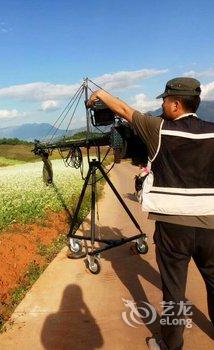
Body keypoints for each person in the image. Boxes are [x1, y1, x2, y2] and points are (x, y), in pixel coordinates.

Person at [87, 77, 214, 350]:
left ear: (176, 104)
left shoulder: (159, 129)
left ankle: (171, 344)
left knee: (174, 290)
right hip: (211, 225)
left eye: (165, 100)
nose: (163, 104)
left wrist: (98, 93)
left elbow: (122, 109)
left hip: (173, 227)